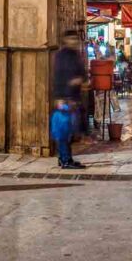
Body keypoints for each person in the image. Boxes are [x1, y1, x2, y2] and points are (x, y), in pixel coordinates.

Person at [51, 29, 88, 169]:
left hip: (74, 96)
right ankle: (65, 160)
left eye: (75, 39)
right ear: (65, 40)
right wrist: (59, 97)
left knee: (71, 129)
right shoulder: (61, 56)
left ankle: (66, 158)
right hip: (65, 97)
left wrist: (81, 80)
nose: (73, 41)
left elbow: (82, 73)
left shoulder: (76, 55)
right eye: (71, 39)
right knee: (64, 130)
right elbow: (59, 77)